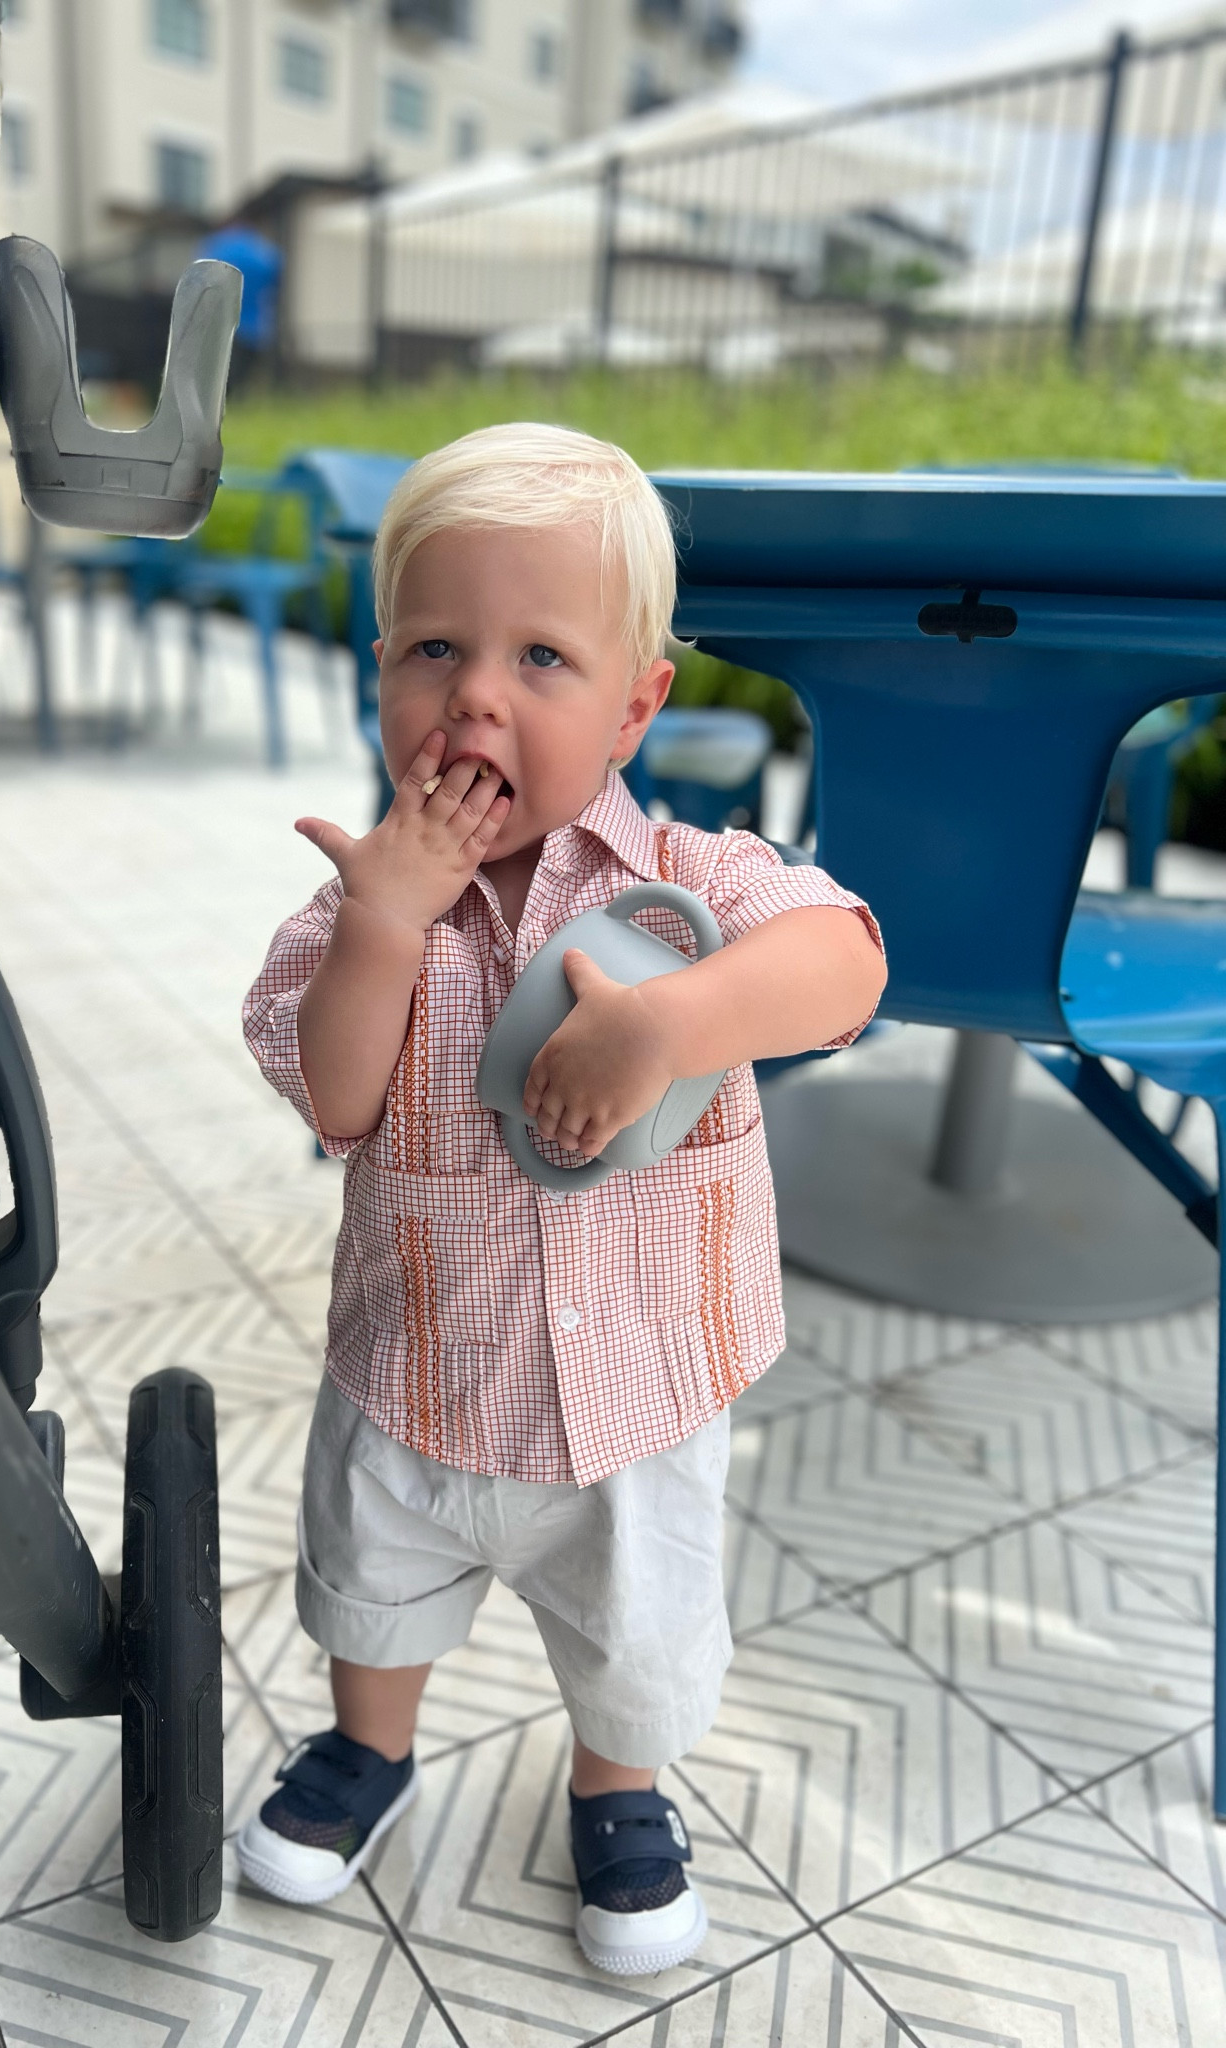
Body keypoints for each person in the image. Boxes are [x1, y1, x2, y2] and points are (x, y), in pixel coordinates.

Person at [238, 423, 886, 1977]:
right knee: (374, 1585)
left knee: (634, 1630)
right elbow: (336, 1096)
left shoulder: (690, 877)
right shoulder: (352, 906)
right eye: (435, 648)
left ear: (637, 702)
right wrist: (384, 927)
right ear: (379, 668)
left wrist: (673, 1022)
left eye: (540, 656)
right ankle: (370, 1753)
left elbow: (846, 961)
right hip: (420, 1370)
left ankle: (621, 1791)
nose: (475, 695)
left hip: (640, 1391)